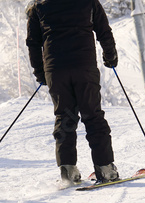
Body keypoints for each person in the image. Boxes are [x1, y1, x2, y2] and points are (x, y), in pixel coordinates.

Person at [26, 0, 119, 184]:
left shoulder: (38, 6)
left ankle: (67, 170)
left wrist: (41, 72)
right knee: (93, 115)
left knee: (64, 117)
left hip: (56, 70)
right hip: (84, 66)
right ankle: (105, 168)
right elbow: (103, 30)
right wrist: (110, 56)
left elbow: (33, 43)